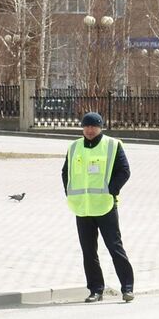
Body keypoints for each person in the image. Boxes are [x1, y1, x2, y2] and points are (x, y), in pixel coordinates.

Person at [61, 112, 134, 303]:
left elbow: (124, 171)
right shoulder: (74, 146)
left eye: (93, 127)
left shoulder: (112, 145)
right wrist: (69, 193)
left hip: (105, 206)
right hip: (83, 208)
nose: (90, 130)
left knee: (114, 247)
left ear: (100, 127)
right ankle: (95, 290)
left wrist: (111, 190)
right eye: (86, 126)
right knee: (88, 251)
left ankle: (127, 288)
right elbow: (65, 172)